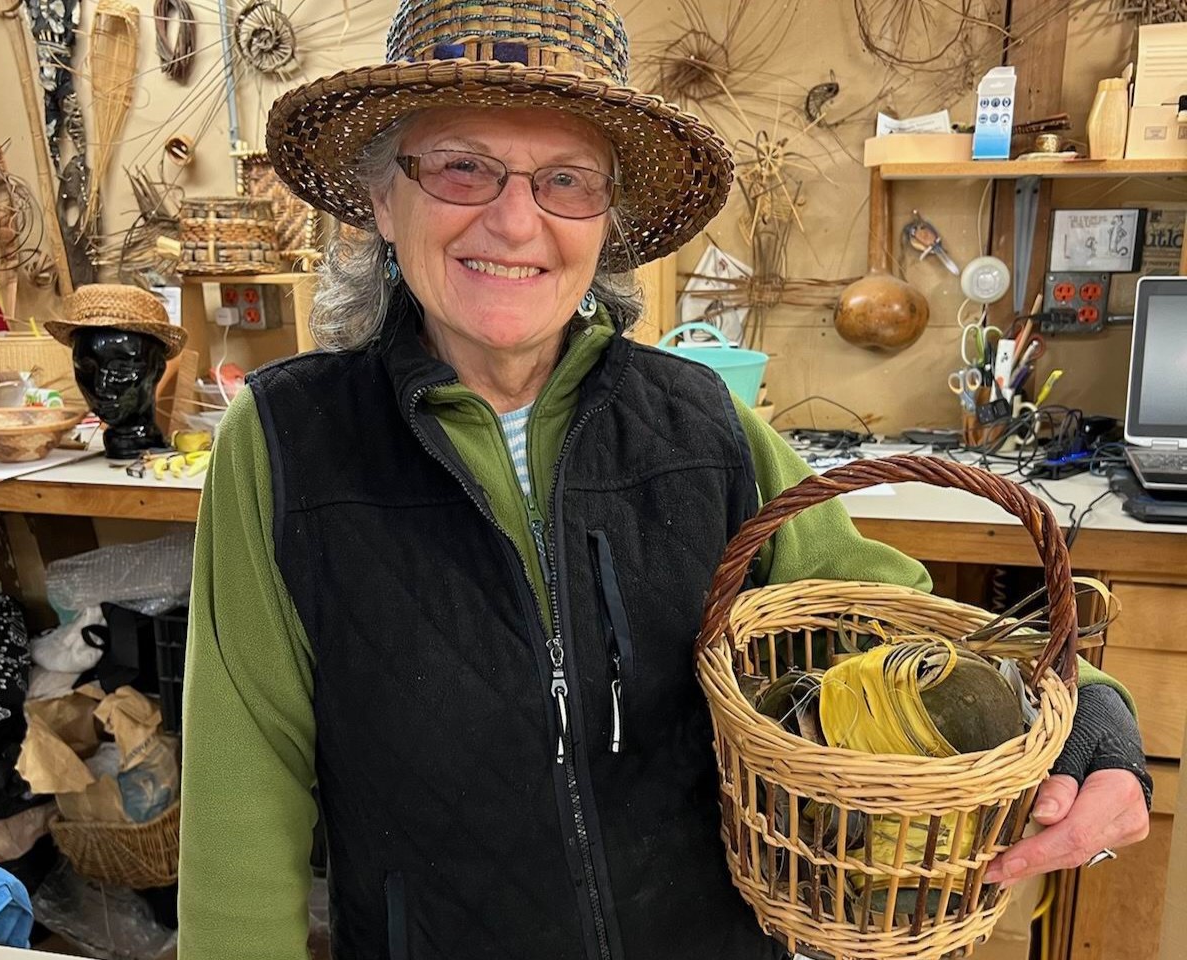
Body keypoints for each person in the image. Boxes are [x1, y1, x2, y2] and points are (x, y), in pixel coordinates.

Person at [178, 2, 1151, 957]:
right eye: (463, 166)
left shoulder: (704, 423)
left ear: (608, 221)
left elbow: (884, 617)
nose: (517, 221)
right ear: (384, 197)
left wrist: (1084, 717)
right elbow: (241, 806)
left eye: (567, 179)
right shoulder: (285, 443)